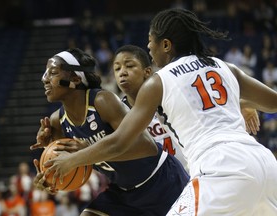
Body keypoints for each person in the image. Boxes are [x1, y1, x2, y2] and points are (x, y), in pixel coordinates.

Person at [41, 9, 277, 215]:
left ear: (166, 45)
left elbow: (122, 140)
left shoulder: (159, 81)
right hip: (264, 163)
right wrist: (242, 102)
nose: (149, 48)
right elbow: (272, 103)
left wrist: (72, 160)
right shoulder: (225, 66)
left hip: (219, 168)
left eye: (150, 41)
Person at [30, 47, 189, 216]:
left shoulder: (102, 101)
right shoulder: (57, 121)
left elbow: (146, 146)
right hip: (123, 193)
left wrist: (85, 152)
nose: (44, 79)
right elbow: (73, 171)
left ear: (75, 78)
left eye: (53, 72)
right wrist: (50, 177)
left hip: (162, 181)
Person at [112, 44, 261, 171]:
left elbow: (205, 104)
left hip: (192, 172)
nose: (122, 73)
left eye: (129, 66)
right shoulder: (117, 112)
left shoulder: (169, 94)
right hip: (154, 184)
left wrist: (242, 103)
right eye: (117, 69)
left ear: (147, 71)